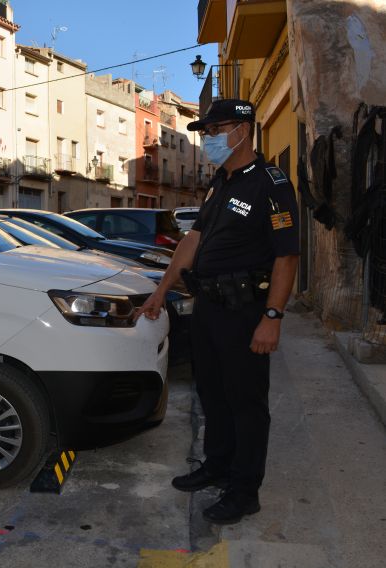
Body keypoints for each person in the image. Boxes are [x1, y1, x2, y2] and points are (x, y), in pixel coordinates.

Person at [135, 99, 300, 525]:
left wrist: (273, 317)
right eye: (205, 132)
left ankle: (245, 491)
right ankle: (218, 465)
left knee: (246, 402)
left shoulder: (271, 183)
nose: (208, 139)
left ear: (242, 129)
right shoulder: (219, 182)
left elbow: (287, 257)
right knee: (212, 393)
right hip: (207, 307)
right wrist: (161, 290)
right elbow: (193, 239)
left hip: (245, 311)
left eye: (214, 130)